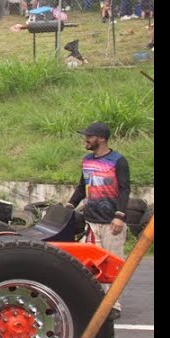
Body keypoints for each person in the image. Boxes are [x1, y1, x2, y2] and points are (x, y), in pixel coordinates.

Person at [65, 121, 131, 317]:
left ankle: (113, 305)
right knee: (91, 265)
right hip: (91, 221)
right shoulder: (87, 160)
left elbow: (124, 190)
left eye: (89, 136)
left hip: (111, 222)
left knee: (112, 265)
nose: (85, 139)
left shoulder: (118, 161)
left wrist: (119, 216)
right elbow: (82, 186)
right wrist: (70, 204)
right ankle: (96, 302)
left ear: (101, 138)